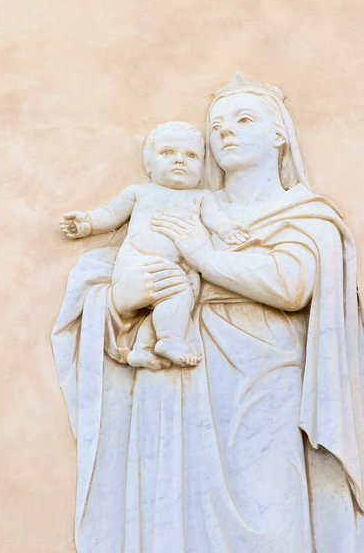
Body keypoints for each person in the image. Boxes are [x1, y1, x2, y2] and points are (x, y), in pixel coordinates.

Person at [52, 74, 364, 553]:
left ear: (279, 134)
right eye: (216, 126)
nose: (225, 132)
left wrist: (201, 254)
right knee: (172, 517)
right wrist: (121, 300)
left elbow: (290, 284)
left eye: (243, 119)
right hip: (173, 381)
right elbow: (110, 286)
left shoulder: (302, 214)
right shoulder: (187, 205)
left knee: (270, 517)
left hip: (262, 380)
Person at [59, 121, 248, 370]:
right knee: (177, 293)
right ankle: (171, 341)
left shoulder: (202, 197)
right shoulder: (140, 193)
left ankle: (142, 348)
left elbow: (217, 220)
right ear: (149, 162)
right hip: (137, 261)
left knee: (176, 304)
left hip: (179, 268)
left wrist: (227, 229)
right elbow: (110, 215)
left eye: (191, 155)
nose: (180, 160)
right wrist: (88, 223)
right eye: (167, 153)